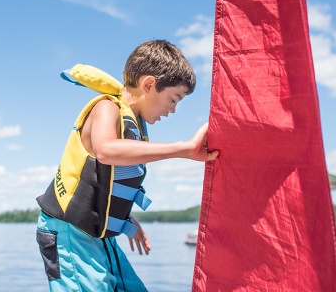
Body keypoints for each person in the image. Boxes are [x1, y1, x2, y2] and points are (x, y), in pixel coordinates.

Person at [35, 39, 219, 291]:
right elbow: (106, 151)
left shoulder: (133, 125)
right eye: (173, 99)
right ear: (149, 84)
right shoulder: (107, 107)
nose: (173, 110)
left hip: (100, 237)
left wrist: (126, 223)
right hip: (71, 234)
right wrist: (183, 149)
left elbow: (103, 185)